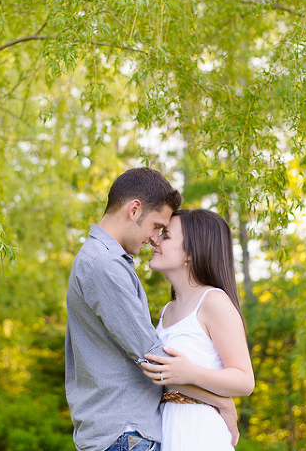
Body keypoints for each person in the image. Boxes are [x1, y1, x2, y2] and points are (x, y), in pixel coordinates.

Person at [65, 168, 238, 451]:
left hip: (126, 435)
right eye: (157, 226)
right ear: (134, 210)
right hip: (125, 434)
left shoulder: (106, 261)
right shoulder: (103, 265)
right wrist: (221, 402)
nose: (154, 238)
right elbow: (153, 359)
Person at [141, 209, 255, 451]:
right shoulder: (167, 310)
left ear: (191, 253)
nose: (155, 240)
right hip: (168, 428)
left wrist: (190, 372)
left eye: (167, 236)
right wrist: (222, 402)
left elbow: (244, 380)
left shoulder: (213, 301)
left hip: (201, 433)